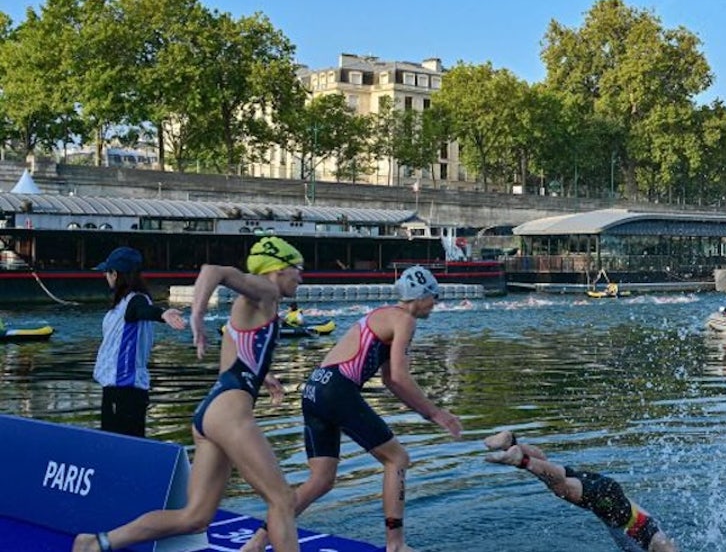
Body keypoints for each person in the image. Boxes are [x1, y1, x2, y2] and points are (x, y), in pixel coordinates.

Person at [73, 235, 305, 552]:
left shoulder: (250, 306)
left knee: (194, 517)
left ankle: (97, 543)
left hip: (210, 413)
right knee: (283, 499)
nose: (301, 276)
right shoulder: (265, 289)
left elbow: (236, 360)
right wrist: (196, 314)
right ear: (277, 269)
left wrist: (264, 376)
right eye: (298, 268)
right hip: (230, 414)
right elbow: (214, 270)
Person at [241, 266, 462, 552]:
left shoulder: (382, 315)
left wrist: (425, 410)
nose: (435, 303)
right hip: (336, 390)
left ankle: (257, 542)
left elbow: (388, 379)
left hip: (314, 389)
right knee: (397, 459)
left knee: (321, 480)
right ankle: (395, 545)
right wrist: (436, 413)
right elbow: (399, 376)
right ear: (420, 296)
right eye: (434, 296)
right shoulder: (404, 320)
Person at [482, 430, 678, 552]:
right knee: (562, 488)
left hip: (606, 492)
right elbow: (664, 545)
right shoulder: (654, 539)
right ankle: (521, 461)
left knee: (552, 471)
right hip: (613, 505)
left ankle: (511, 443)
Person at [92, 246, 186, 437]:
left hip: (125, 389)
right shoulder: (121, 304)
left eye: (107, 272)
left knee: (122, 445)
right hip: (114, 387)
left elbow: (143, 311)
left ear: (115, 274)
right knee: (114, 444)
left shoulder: (135, 300)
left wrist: (162, 314)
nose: (105, 276)